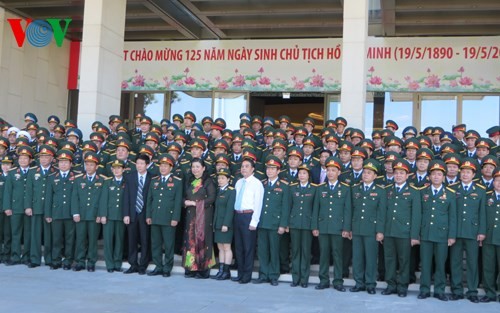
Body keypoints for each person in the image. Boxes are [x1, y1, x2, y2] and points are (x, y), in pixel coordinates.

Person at [381, 159, 421, 298]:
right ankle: (391, 285)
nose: (398, 175)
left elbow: (416, 216)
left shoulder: (414, 192)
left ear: (407, 175)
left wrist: (414, 235)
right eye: (396, 172)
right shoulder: (387, 190)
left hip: (405, 233)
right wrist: (381, 231)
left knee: (404, 261)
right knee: (389, 259)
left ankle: (403, 286)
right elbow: (382, 213)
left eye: (401, 173)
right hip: (389, 231)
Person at [418, 160, 456, 301]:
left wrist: (451, 235)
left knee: (440, 264)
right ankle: (424, 289)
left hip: (442, 234)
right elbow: (419, 214)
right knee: (426, 264)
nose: (436, 177)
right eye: (433, 174)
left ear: (443, 177)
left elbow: (453, 217)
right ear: (429, 176)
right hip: (426, 233)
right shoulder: (423, 192)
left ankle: (440, 290)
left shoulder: (450, 194)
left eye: (439, 174)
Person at [449, 158, 486, 303]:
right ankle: (456, 290)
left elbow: (482, 213)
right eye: (463, 172)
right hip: (456, 232)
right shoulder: (452, 189)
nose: (465, 174)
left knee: (472, 263)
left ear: (473, 174)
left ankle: (472, 291)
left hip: (473, 232)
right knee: (455, 262)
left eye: (468, 172)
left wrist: (482, 231)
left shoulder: (480, 191)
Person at [312, 157, 351, 291]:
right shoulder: (320, 188)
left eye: (333, 170)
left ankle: (338, 281)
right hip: (323, 227)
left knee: (337, 255)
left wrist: (346, 228)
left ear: (339, 173)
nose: (330, 173)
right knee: (324, 255)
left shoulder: (345, 188)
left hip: (338, 228)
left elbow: (347, 210)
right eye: (328, 170)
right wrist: (315, 226)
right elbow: (315, 208)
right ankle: (323, 280)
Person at [349, 159, 386, 294]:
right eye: (364, 172)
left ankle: (370, 284)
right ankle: (359, 283)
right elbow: (350, 210)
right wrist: (349, 228)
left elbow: (381, 213)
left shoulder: (380, 191)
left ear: (375, 176)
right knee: (357, 257)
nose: (365, 175)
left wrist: (380, 231)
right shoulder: (355, 189)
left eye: (369, 173)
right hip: (357, 228)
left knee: (371, 258)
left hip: (372, 229)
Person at [253, 155, 290, 286]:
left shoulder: (284, 186)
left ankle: (274, 275)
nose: (269, 171)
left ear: (278, 171)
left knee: (275, 250)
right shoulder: (261, 184)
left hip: (275, 223)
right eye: (268, 168)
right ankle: (263, 274)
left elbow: (285, 207)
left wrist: (283, 224)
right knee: (263, 250)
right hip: (262, 222)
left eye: (273, 168)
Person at [146, 154, 183, 277]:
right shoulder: (154, 181)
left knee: (168, 244)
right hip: (155, 217)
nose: (163, 168)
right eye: (161, 165)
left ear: (171, 168)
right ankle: (158, 266)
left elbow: (178, 202)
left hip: (168, 219)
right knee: (155, 244)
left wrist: (175, 218)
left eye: (166, 166)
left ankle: (167, 267)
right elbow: (149, 200)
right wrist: (148, 216)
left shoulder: (177, 182)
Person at [231, 153, 264, 284]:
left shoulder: (257, 184)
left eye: (247, 166)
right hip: (237, 215)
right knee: (238, 247)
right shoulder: (239, 182)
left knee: (248, 247)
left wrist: (254, 221)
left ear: (253, 169)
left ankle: (247, 274)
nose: (244, 168)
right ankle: (240, 272)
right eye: (242, 166)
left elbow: (258, 204)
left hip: (248, 216)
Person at [182, 158, 217, 279]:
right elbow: (183, 196)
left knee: (203, 239)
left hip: (204, 215)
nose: (195, 169)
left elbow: (212, 198)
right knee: (190, 238)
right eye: (193, 167)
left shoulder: (208, 181)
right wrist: (185, 202)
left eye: (197, 167)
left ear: (203, 168)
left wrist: (196, 203)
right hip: (191, 215)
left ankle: (203, 269)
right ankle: (191, 267)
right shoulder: (189, 180)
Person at [71, 152, 105, 272]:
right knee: (80, 239)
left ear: (96, 166)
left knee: (92, 240)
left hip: (94, 215)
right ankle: (80, 261)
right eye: (87, 164)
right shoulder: (79, 179)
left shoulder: (102, 180)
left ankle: (91, 262)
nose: (89, 167)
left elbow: (102, 199)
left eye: (92, 165)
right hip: (81, 215)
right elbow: (74, 197)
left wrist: (100, 214)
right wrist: (75, 213)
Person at [45, 150, 78, 270]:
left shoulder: (76, 177)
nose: (63, 164)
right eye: (61, 162)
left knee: (70, 239)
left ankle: (68, 260)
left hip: (70, 213)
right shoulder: (52, 177)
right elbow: (49, 197)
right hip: (56, 213)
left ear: (70, 164)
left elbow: (77, 196)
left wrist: (75, 212)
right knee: (56, 238)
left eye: (65, 162)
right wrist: (48, 214)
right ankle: (56, 260)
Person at [25, 145, 57, 267]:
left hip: (50, 209)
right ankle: (35, 259)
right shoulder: (33, 171)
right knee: (35, 235)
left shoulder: (55, 172)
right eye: (42, 157)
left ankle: (49, 258)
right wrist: (28, 206)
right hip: (36, 207)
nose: (43, 159)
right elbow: (28, 191)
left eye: (46, 156)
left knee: (49, 235)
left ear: (51, 158)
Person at [3, 146, 35, 266]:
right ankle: (15, 256)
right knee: (15, 233)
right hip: (15, 207)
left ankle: (26, 256)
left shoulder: (33, 172)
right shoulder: (12, 173)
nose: (22, 160)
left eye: (25, 158)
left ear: (30, 160)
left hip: (29, 208)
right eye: (21, 158)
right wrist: (7, 207)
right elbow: (8, 191)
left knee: (27, 233)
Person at [123, 154, 153, 275]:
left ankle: (143, 265)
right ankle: (133, 264)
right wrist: (126, 214)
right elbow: (126, 196)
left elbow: (152, 199)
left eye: (142, 164)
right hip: (132, 213)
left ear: (147, 165)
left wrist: (150, 215)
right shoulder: (130, 177)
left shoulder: (152, 177)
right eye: (137, 163)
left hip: (145, 214)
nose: (139, 166)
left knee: (145, 240)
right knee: (132, 240)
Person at [289, 164, 316, 288]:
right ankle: (296, 277)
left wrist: (314, 225)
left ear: (309, 176)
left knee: (305, 252)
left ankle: (304, 279)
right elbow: (289, 206)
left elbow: (315, 209)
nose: (301, 175)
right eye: (300, 173)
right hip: (295, 223)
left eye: (304, 173)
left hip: (307, 224)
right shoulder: (293, 188)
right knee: (295, 251)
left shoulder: (314, 189)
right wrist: (288, 223)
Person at [99, 159, 126, 273]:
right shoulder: (107, 182)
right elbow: (103, 199)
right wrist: (103, 215)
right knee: (108, 241)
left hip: (121, 216)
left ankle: (117, 263)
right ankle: (109, 264)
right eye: (114, 168)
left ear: (123, 169)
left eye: (119, 168)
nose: (116, 170)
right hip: (109, 216)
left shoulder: (127, 181)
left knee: (119, 241)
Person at [212, 168, 236, 280]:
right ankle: (221, 270)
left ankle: (226, 271)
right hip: (217, 222)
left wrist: (226, 224)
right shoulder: (218, 190)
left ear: (228, 179)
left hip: (226, 223)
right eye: (219, 178)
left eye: (222, 178)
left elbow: (230, 209)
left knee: (226, 247)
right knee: (220, 247)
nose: (220, 180)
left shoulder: (231, 191)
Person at [480, 167, 500, 302]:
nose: (499, 183)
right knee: (488, 267)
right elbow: (481, 216)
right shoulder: (486, 196)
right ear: (493, 182)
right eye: (497, 180)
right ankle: (490, 292)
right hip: (488, 237)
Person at [0, 155, 14, 263]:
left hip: (9, 209)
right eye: (4, 164)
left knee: (8, 233)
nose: (5, 167)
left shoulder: (14, 176)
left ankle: (7, 254)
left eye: (8, 164)